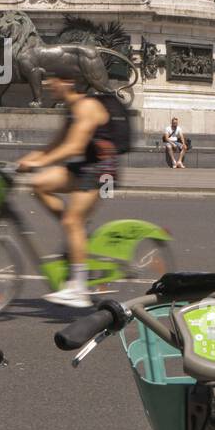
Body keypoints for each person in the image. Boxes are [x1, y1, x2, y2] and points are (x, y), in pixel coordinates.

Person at [17, 69, 130, 309]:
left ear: (68, 82)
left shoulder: (86, 106)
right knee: (39, 184)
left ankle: (78, 290)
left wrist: (39, 163)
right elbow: (54, 145)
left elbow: (74, 146)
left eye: (52, 79)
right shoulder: (70, 108)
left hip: (104, 170)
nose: (47, 83)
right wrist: (25, 161)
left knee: (72, 221)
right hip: (84, 167)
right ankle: (75, 232)